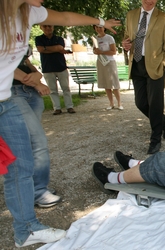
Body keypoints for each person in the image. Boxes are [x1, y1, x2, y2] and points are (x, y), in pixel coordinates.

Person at [1, 0, 120, 247]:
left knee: (21, 167)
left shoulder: (27, 12)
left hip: (7, 100)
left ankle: (26, 230)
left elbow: (65, 18)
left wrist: (101, 23)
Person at [122, 0, 165, 154]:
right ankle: (164, 120)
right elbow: (127, 36)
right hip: (137, 63)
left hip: (156, 66)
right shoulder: (131, 15)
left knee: (155, 104)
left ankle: (155, 140)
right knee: (140, 103)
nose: (150, 1)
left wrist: (163, 65)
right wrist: (125, 44)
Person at [12, 45, 62, 208]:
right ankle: (37, 191)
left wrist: (37, 75)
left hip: (29, 91)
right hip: (12, 92)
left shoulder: (19, 31)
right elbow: (6, 67)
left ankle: (32, 187)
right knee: (38, 142)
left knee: (29, 142)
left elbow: (25, 62)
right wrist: (36, 82)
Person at [35, 25, 75, 115]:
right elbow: (40, 49)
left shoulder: (59, 38)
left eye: (50, 26)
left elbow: (60, 48)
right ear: (41, 28)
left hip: (61, 66)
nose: (48, 28)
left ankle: (69, 106)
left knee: (66, 88)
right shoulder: (38, 38)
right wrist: (54, 49)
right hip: (47, 67)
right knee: (52, 90)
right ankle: (57, 108)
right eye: (45, 27)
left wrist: (46, 48)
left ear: (53, 27)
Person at [92, 25, 122, 110]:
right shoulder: (95, 38)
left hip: (110, 61)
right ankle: (111, 103)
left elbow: (113, 51)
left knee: (114, 83)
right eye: (96, 27)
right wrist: (96, 51)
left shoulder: (109, 38)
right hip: (101, 61)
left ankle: (119, 103)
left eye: (100, 27)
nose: (98, 29)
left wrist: (102, 52)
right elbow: (94, 50)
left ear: (104, 28)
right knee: (106, 83)